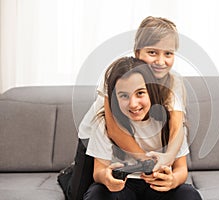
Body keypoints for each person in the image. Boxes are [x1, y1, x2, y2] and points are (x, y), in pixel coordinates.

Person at [62, 16, 187, 200]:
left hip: (131, 134)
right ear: (137, 52)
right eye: (152, 52)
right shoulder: (116, 74)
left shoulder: (173, 81)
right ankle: (67, 176)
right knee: (80, 194)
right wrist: (146, 161)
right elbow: (113, 128)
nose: (160, 61)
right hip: (95, 134)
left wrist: (166, 160)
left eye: (168, 53)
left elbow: (177, 127)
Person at [84, 56, 201, 200]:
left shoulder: (170, 122)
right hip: (123, 186)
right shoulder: (104, 123)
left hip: (156, 186)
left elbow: (181, 169)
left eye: (140, 93)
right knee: (97, 194)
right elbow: (99, 170)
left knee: (188, 194)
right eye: (124, 96)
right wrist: (106, 177)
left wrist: (173, 180)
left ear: (151, 91)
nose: (133, 104)